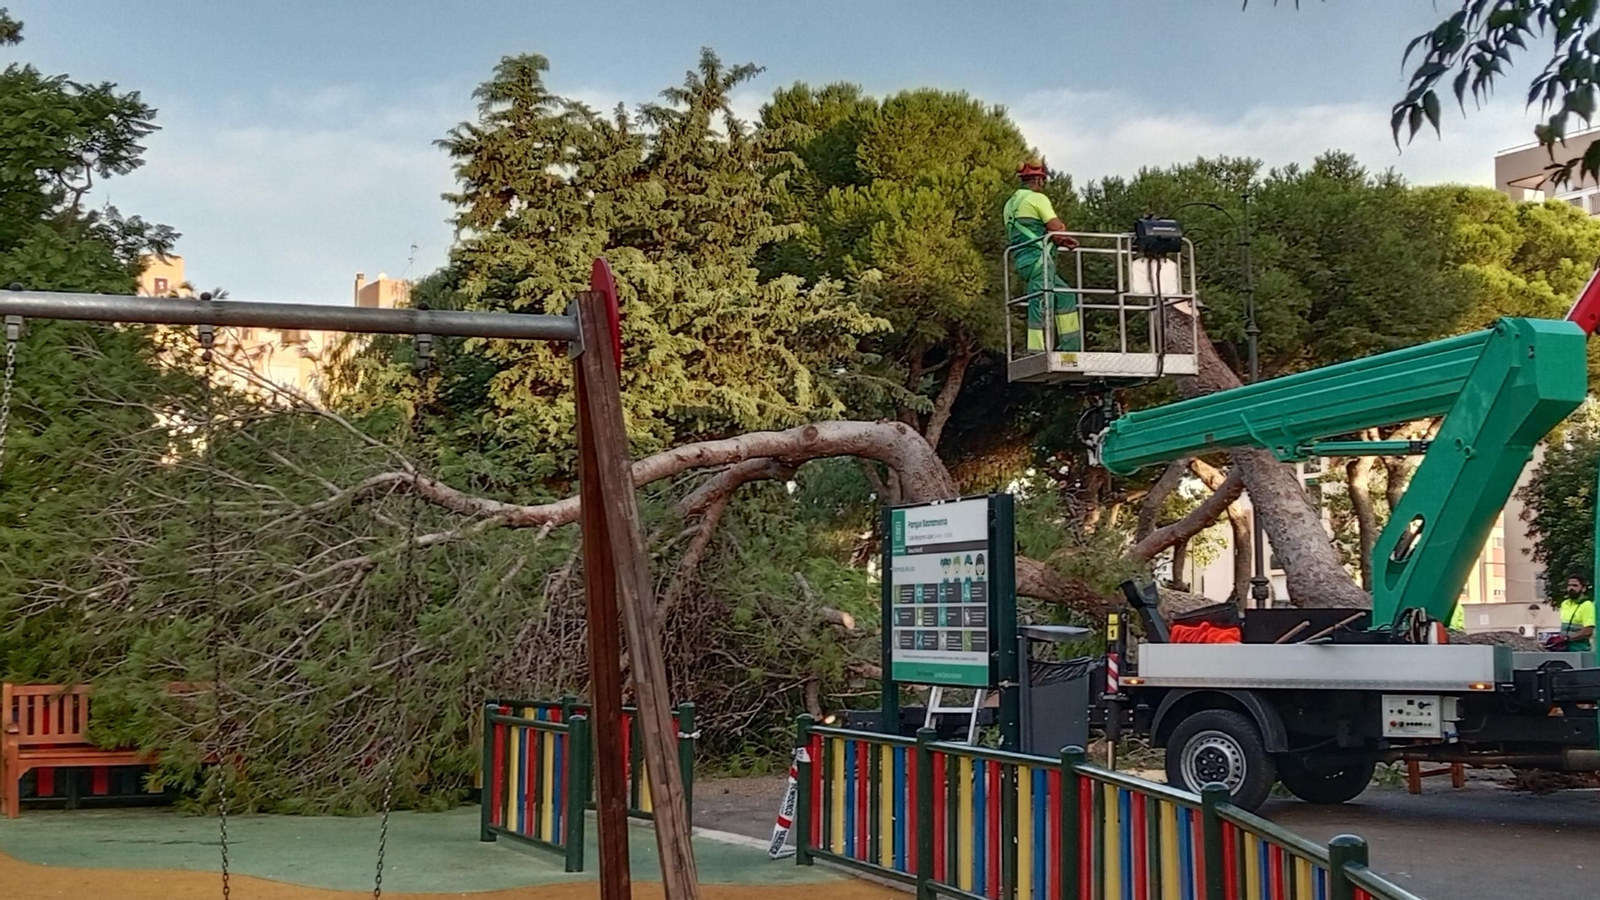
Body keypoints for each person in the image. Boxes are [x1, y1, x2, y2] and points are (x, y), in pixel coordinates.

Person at [1004, 159, 1081, 353]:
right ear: (1039, 180)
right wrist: (1062, 234)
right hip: (1039, 260)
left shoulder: (1009, 205)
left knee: (1065, 295)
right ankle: (1037, 351)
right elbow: (1057, 229)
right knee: (1040, 302)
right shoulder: (1037, 199)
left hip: (1024, 262)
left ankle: (1070, 347)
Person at [1553, 575, 1595, 652]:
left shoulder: (1587, 605)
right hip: (1564, 648)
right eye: (1569, 585)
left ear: (1583, 588)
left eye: (1575, 585)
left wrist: (1567, 638)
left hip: (1580, 650)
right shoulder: (1565, 604)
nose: (1571, 588)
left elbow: (1588, 631)